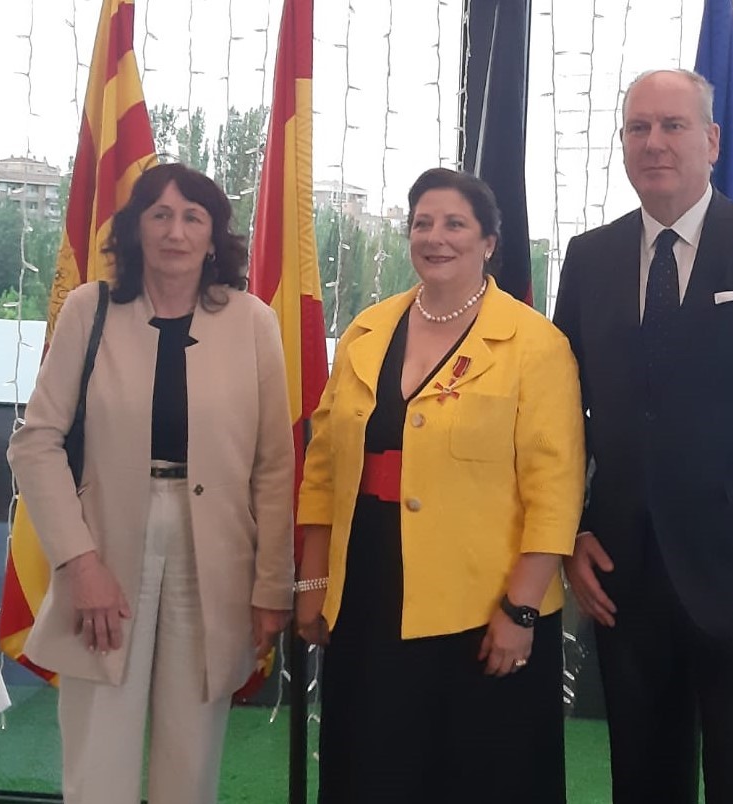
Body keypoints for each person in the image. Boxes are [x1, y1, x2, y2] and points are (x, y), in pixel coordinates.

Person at [551, 68, 733, 804]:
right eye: (638, 128)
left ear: (712, 141)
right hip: (623, 578)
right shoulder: (588, 258)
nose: (653, 142)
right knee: (642, 781)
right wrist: (570, 530)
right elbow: (559, 415)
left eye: (672, 126)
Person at [293, 167, 585, 804]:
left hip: (484, 610)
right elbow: (322, 470)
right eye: (422, 223)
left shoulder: (536, 344)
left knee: (479, 778)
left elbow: (555, 492)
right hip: (369, 592)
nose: (436, 237)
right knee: (369, 769)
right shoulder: (368, 332)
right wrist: (314, 583)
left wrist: (521, 610)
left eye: (455, 223)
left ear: (488, 242)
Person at [7, 162, 295, 804]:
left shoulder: (253, 322)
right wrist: (80, 564)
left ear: (214, 236)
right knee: (98, 760)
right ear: (135, 228)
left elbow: (274, 466)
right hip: (105, 546)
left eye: (193, 217)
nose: (175, 232)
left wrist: (272, 586)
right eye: (159, 215)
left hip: (216, 556)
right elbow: (36, 444)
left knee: (190, 764)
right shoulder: (90, 309)